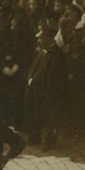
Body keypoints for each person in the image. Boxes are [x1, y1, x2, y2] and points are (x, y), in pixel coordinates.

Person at [25, 19, 69, 149]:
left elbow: (58, 78)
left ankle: (49, 140)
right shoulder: (42, 51)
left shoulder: (57, 55)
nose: (39, 40)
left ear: (49, 38)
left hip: (48, 92)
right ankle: (34, 137)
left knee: (48, 117)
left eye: (42, 38)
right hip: (36, 89)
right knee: (34, 113)